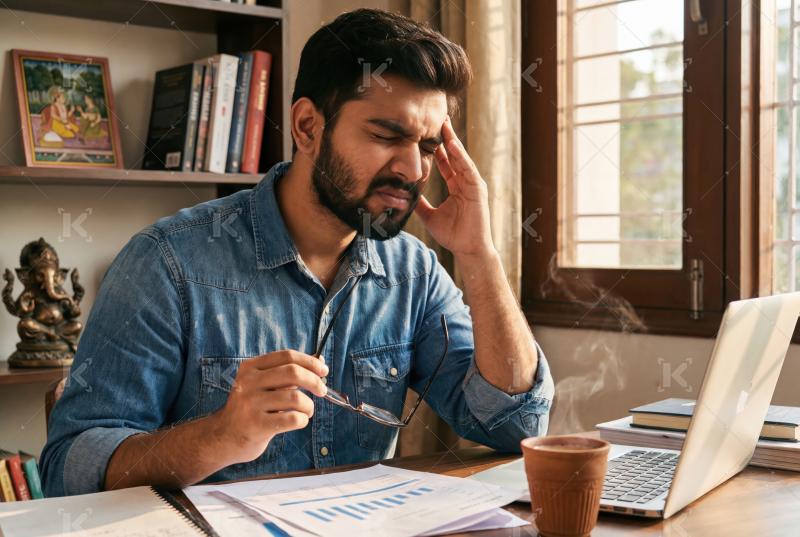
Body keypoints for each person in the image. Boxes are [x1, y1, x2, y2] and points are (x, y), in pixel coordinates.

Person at [41, 8, 554, 497]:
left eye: (424, 146)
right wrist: (221, 436)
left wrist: (480, 255)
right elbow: (70, 467)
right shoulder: (166, 263)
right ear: (308, 127)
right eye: (385, 135)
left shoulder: (413, 272)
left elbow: (517, 425)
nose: (414, 170)